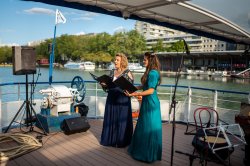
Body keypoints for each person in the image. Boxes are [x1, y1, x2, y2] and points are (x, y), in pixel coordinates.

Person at [125, 52, 162, 163]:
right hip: (147, 102)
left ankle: (148, 154)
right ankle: (142, 150)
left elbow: (151, 90)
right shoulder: (149, 72)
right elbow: (144, 86)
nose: (143, 61)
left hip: (151, 104)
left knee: (149, 128)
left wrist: (134, 94)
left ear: (150, 60)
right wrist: (133, 88)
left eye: (145, 59)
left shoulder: (153, 73)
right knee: (143, 126)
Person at [100, 53, 134, 147]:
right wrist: (104, 85)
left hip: (122, 100)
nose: (115, 61)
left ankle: (121, 141)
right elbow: (107, 88)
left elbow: (131, 89)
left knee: (121, 120)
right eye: (115, 60)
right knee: (111, 119)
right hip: (111, 98)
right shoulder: (112, 72)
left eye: (117, 60)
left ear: (122, 61)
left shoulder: (128, 73)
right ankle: (110, 140)